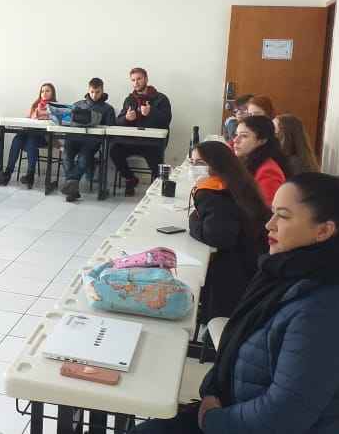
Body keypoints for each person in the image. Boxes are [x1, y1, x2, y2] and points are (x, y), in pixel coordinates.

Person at [135, 172, 339, 434]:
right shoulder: (289, 275)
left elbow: (281, 418)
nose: (269, 225)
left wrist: (212, 419)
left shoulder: (326, 312)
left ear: (323, 231)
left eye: (283, 216)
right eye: (273, 213)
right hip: (238, 413)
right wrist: (212, 395)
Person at [188, 141, 271, 322]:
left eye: (200, 163)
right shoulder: (238, 183)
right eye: (192, 162)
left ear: (217, 165)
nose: (194, 168)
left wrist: (193, 220)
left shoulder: (213, 192)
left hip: (233, 279)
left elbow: (217, 237)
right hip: (253, 267)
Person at [109, 67, 173, 196]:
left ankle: (157, 187)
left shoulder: (161, 98)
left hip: (152, 142)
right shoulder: (129, 99)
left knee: (156, 162)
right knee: (114, 150)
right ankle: (130, 179)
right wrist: (126, 118)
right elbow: (118, 121)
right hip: (132, 141)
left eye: (139, 79)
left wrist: (151, 112)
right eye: (133, 80)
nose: (136, 82)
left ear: (146, 79)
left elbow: (166, 120)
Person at [60, 78, 116, 202]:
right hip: (73, 138)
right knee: (66, 156)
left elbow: (111, 129)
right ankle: (73, 188)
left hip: (92, 141)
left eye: (97, 92)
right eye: (92, 92)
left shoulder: (108, 109)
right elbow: (68, 121)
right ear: (88, 90)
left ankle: (71, 184)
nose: (94, 95)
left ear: (102, 91)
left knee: (83, 158)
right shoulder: (78, 104)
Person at [0, 82, 56, 187]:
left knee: (31, 140)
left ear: (52, 93)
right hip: (30, 133)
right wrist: (32, 116)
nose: (44, 93)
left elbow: (50, 119)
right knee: (17, 139)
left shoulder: (55, 107)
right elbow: (30, 118)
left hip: (44, 136)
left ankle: (30, 175)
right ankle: (7, 174)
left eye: (47, 91)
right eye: (42, 91)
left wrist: (39, 115)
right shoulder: (36, 105)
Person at [233, 115, 291, 206]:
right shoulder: (246, 161)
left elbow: (266, 209)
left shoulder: (268, 171)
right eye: (236, 135)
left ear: (262, 141)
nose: (235, 140)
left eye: (244, 136)